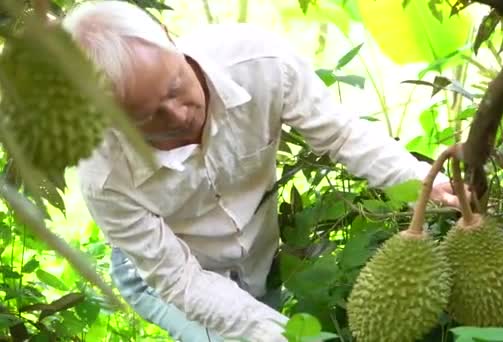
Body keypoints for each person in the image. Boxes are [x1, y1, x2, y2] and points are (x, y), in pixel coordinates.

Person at [64, 1, 465, 341]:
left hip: (258, 251)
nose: (179, 115)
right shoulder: (103, 175)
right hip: (167, 275)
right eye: (147, 116)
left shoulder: (259, 64)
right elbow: (180, 281)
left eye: (174, 88)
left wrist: (425, 183)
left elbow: (340, 136)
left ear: (170, 36)